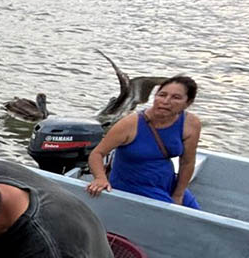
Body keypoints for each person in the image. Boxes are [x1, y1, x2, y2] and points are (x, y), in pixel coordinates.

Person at [86, 76, 201, 208]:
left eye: (176, 97)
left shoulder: (190, 123)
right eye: (162, 95)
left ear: (188, 103)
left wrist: (178, 194)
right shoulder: (130, 123)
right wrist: (100, 178)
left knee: (196, 213)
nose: (165, 101)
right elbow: (97, 154)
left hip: (167, 182)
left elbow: (187, 162)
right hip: (133, 184)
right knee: (176, 216)